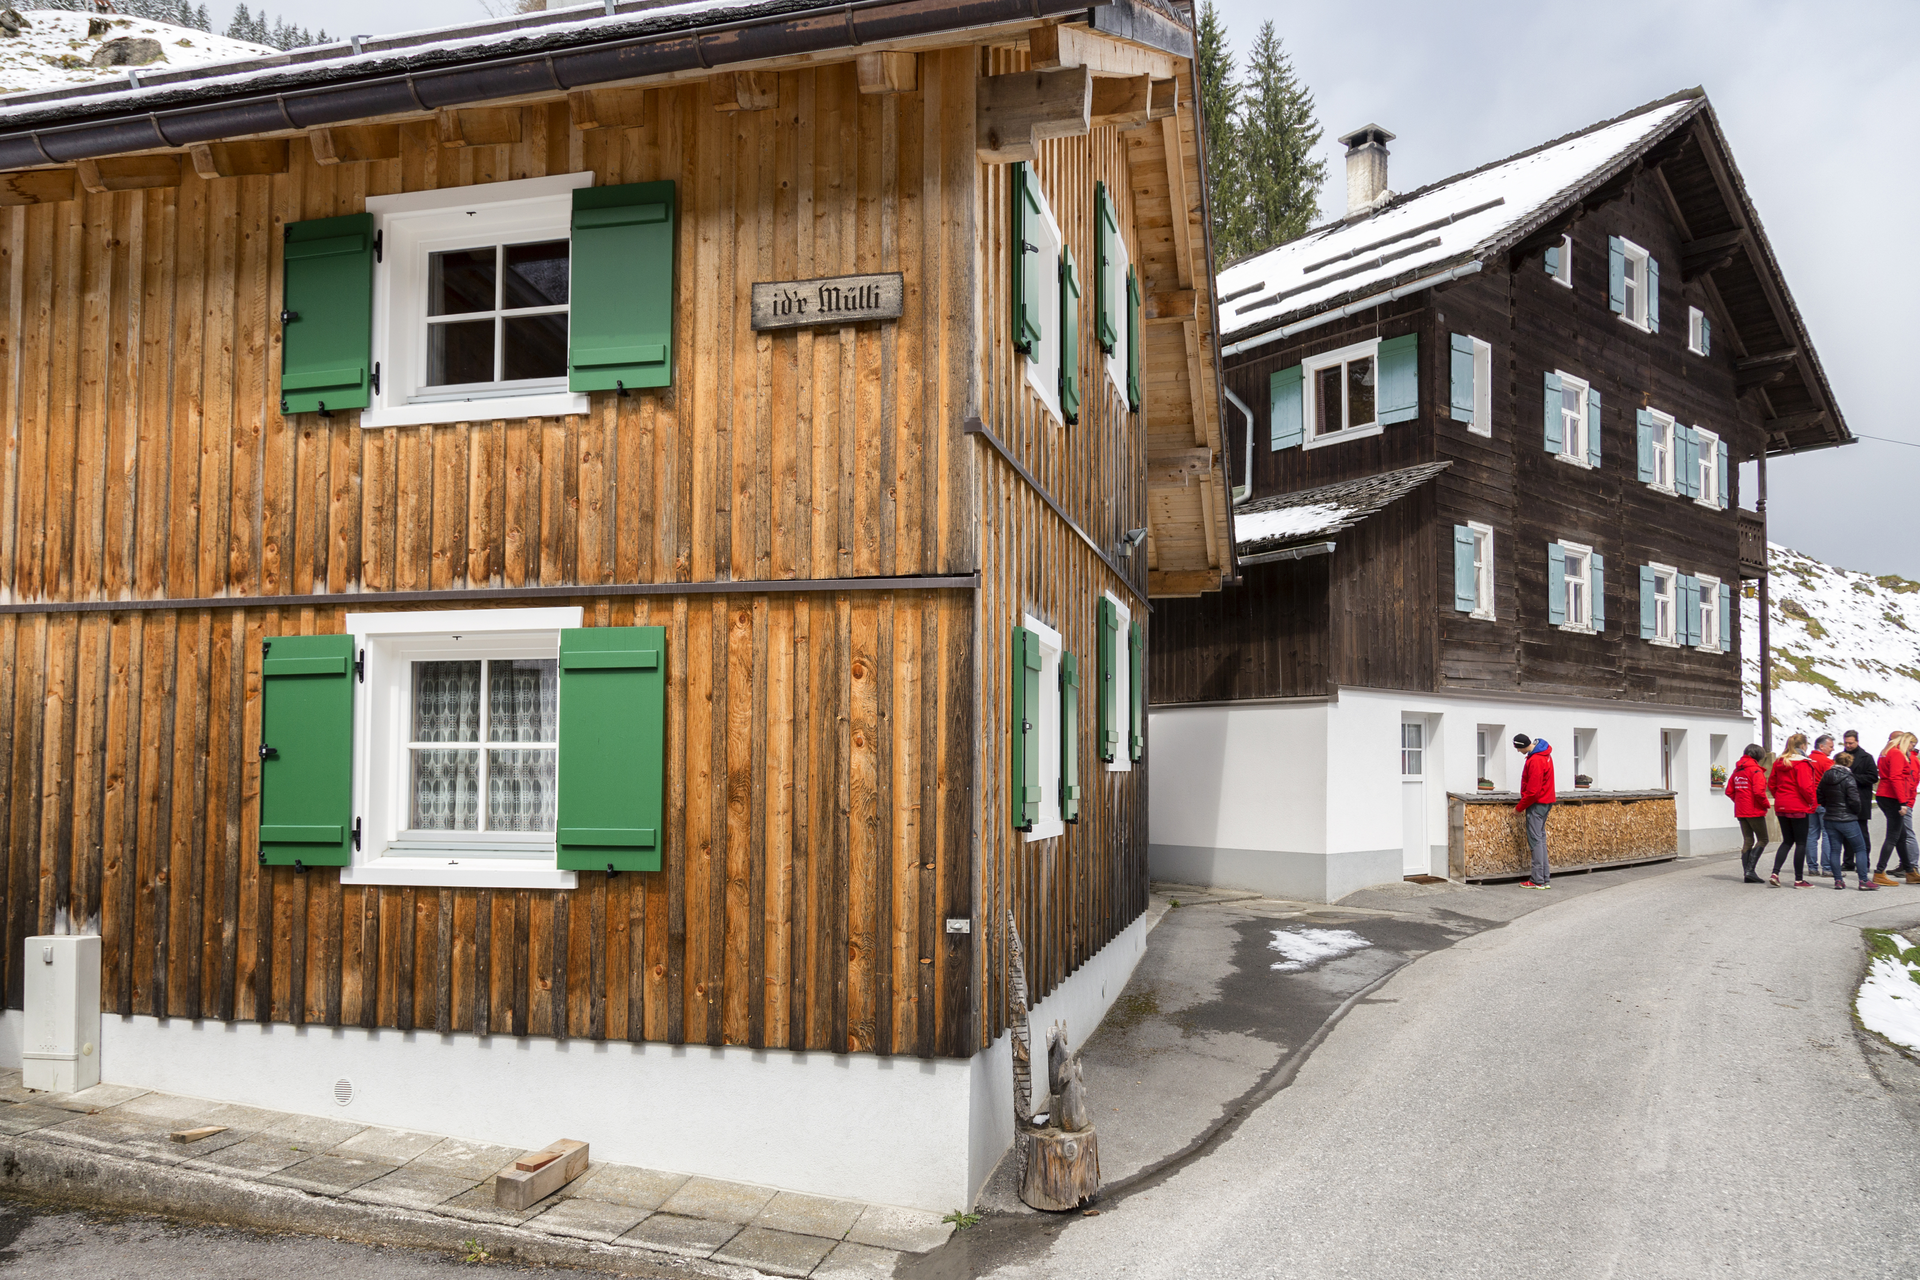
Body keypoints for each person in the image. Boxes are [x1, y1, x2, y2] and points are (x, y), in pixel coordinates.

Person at [1818, 751, 1876, 891]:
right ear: (1849, 763)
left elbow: (1819, 795)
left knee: (1835, 850)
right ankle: (1863, 880)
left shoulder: (1826, 776)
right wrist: (1855, 811)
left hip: (1830, 817)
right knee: (1860, 848)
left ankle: (1838, 880)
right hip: (1847, 818)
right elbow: (1854, 800)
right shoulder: (1849, 777)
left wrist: (1828, 806)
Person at [1767, 734, 1818, 887]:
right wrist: (1811, 802)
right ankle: (1798, 879)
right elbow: (1805, 786)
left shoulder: (1779, 762)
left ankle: (1775, 873)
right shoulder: (1802, 763)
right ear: (1803, 746)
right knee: (1801, 843)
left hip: (1782, 804)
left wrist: (1779, 796)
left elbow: (1772, 783)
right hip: (1798, 805)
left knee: (1787, 841)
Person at [1874, 732, 1918, 886]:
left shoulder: (1885, 753)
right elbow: (1896, 777)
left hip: (1884, 794)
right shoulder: (1897, 754)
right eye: (1912, 744)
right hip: (1892, 796)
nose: (1913, 748)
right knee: (1893, 836)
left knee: (1901, 835)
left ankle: (1910, 871)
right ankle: (1879, 872)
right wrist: (1903, 802)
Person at [1514, 733, 1555, 889]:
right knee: (1541, 840)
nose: (1518, 751)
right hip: (1546, 801)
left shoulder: (1535, 760)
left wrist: (1519, 808)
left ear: (1522, 746)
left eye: (1518, 748)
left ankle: (1537, 880)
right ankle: (1544, 879)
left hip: (1537, 804)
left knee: (1535, 841)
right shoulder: (1544, 754)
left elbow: (1533, 791)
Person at [1726, 744, 1771, 883]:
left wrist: (1739, 801)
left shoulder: (1737, 771)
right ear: (1759, 756)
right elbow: (1759, 792)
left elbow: (1729, 791)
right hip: (1754, 810)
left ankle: (1747, 873)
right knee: (1763, 839)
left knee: (1748, 840)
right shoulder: (1756, 771)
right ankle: (1750, 871)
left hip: (1741, 810)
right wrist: (1766, 804)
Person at [1843, 730, 1877, 868]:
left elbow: (1873, 777)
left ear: (1857, 741)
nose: (1848, 745)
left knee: (1862, 832)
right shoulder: (1841, 757)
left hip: (1861, 798)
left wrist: (1853, 777)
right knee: (1846, 832)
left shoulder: (1866, 757)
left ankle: (1864, 862)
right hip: (1845, 800)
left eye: (1851, 743)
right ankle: (1848, 861)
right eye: (1846, 743)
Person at [1807, 734, 1836, 877]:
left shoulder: (1807, 760)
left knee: (1812, 834)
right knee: (1827, 834)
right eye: (1830, 746)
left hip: (1810, 801)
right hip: (1824, 801)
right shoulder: (1827, 762)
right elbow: (1833, 782)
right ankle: (1827, 867)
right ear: (1821, 746)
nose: (1832, 749)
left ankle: (1812, 867)